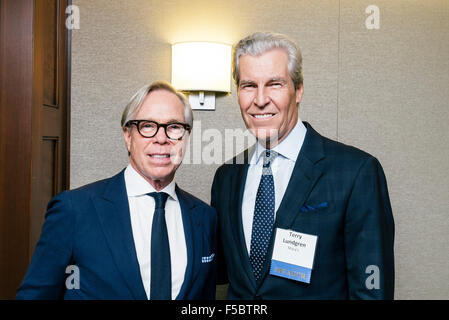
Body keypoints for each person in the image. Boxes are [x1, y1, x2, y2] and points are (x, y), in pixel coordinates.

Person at [211, 32, 394, 299]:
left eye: (274, 84)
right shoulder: (227, 177)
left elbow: (371, 292)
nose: (260, 99)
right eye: (249, 85)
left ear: (298, 90)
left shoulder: (356, 172)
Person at [17, 81, 217, 300]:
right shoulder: (74, 210)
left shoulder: (205, 218)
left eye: (174, 127)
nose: (162, 138)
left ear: (186, 138)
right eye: (148, 126)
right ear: (128, 136)